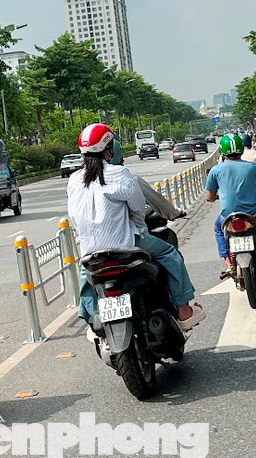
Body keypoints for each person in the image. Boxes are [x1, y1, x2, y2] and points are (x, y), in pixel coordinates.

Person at [67, 123, 205, 330]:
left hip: (91, 249)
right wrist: (136, 226)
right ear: (109, 148)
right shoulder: (120, 173)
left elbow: (74, 219)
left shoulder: (74, 180)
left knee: (85, 272)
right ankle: (183, 309)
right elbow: (138, 208)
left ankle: (90, 315)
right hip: (126, 244)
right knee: (170, 254)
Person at [206, 133, 256, 274]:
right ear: (242, 150)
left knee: (218, 229)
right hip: (254, 214)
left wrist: (220, 196)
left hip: (228, 216)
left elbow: (210, 197)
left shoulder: (215, 170)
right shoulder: (252, 167)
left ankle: (228, 263)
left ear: (222, 152)